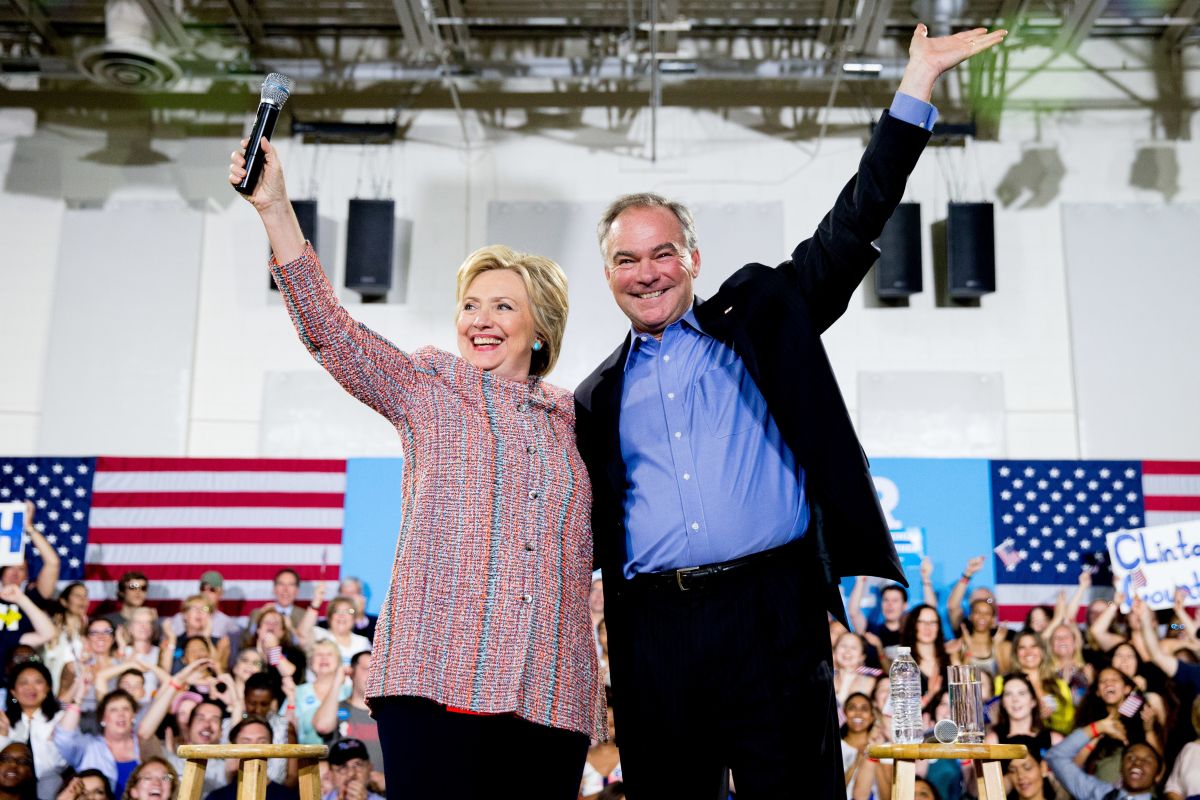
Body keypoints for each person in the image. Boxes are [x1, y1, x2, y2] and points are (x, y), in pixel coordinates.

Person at [572, 22, 1005, 798]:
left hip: (773, 612)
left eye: (664, 252)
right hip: (655, 633)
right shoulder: (593, 397)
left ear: (693, 258)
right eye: (628, 259)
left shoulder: (762, 312)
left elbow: (852, 225)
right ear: (607, 276)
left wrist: (916, 89)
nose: (649, 272)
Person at [229, 134, 603, 798]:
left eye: (502, 306)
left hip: (550, 690)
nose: (480, 321)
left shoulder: (580, 422)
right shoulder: (426, 390)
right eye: (470, 304)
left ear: (542, 327)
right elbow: (331, 332)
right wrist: (276, 210)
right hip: (436, 681)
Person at [52, 688, 141, 799]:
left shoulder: (145, 745)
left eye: (126, 709)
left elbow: (168, 775)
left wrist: (166, 779)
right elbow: (63, 738)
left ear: (133, 716)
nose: (121, 714)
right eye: (113, 710)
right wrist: (78, 698)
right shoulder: (89, 747)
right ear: (103, 719)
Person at [1045, 717, 1163, 800]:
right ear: (1121, 768)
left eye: (1147, 760)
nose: (1137, 763)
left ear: (1157, 775)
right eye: (1130, 757)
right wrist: (1098, 727)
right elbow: (1056, 757)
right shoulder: (1097, 793)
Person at [0, 661, 68, 800]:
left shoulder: (61, 719)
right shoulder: (4, 721)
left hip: (49, 787)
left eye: (38, 682)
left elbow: (59, 764)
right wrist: (4, 735)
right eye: (24, 682)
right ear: (13, 691)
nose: (30, 688)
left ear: (48, 688)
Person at [312, 653, 379, 775]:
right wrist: (338, 680)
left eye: (377, 670)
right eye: (367, 669)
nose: (373, 675)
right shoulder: (336, 709)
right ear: (351, 672)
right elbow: (322, 726)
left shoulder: (386, 714)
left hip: (382, 790)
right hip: (343, 788)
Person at [204, 717, 298, 800]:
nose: (254, 748)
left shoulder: (289, 797)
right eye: (246, 742)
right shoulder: (217, 797)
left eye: (262, 742)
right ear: (235, 747)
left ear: (271, 746)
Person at [168, 573, 238, 643]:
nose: (206, 593)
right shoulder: (179, 619)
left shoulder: (227, 624)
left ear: (221, 593)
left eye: (212, 589)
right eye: (203, 588)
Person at [333, 579, 375, 644]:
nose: (349, 598)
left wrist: (359, 616)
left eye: (352, 593)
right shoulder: (329, 622)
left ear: (362, 597)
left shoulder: (376, 622)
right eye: (345, 594)